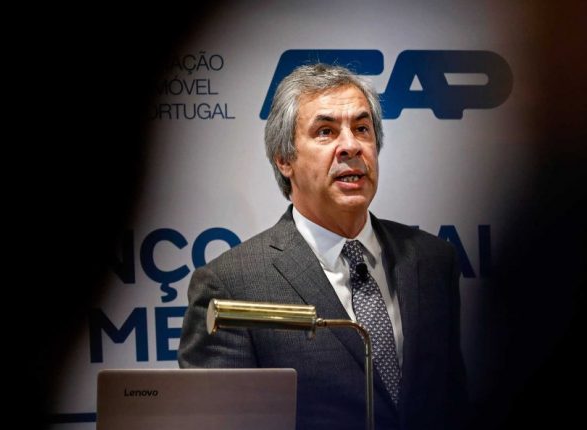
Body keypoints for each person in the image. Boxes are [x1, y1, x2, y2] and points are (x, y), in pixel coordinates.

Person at [178, 63, 466, 430]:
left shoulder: (433, 259)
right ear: (284, 160)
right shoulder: (231, 284)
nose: (351, 146)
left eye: (362, 129)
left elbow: (453, 402)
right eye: (326, 131)